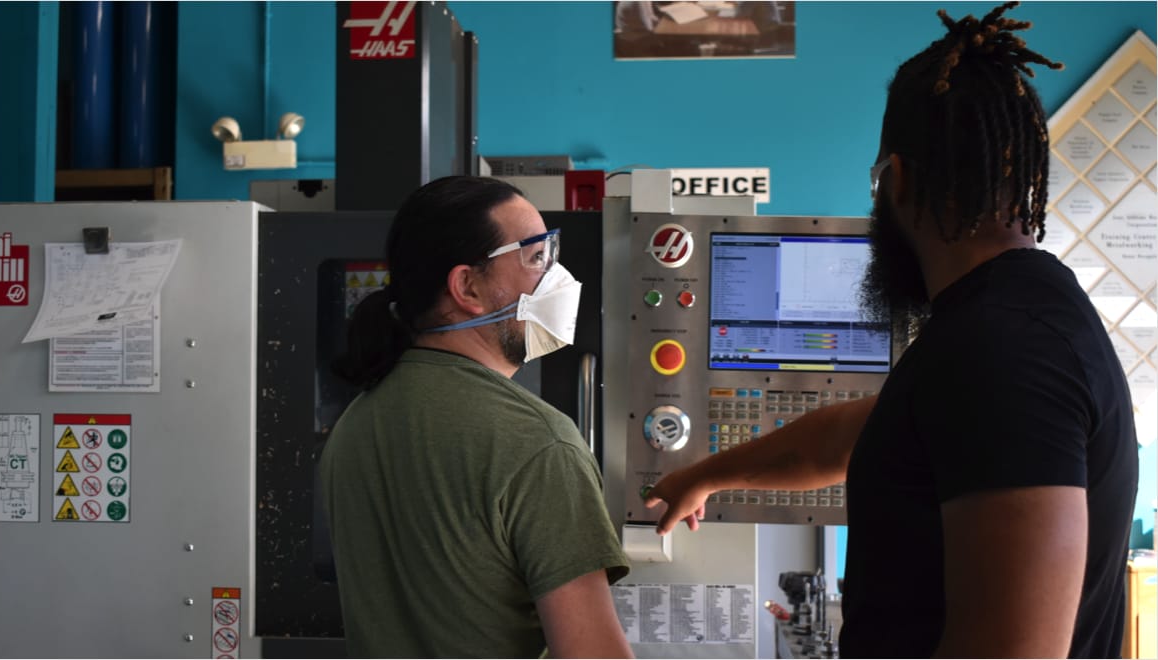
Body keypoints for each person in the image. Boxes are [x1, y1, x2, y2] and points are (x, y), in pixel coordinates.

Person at [644, 3, 1139, 658]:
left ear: (896, 181)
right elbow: (854, 436)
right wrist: (703, 475)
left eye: (876, 182)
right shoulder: (1004, 325)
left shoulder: (1003, 348)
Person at [320, 176, 633, 658]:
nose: (556, 276)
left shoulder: (357, 423)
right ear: (467, 286)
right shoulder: (539, 442)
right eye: (535, 257)